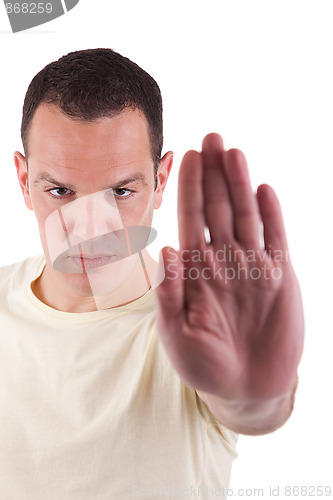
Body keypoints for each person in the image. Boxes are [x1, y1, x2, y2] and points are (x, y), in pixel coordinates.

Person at [0, 48, 304, 499]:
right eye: (60, 191)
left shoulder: (202, 322)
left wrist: (257, 395)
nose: (89, 228)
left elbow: (250, 410)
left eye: (121, 191)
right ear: (25, 182)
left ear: (160, 181)